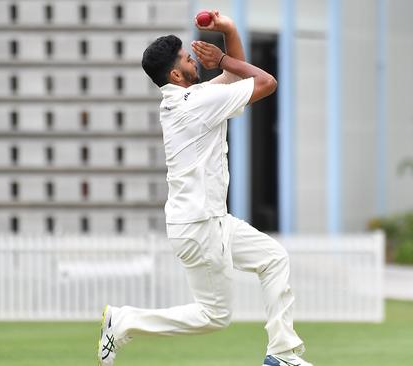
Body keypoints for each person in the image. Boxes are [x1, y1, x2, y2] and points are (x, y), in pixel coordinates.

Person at [97, 11, 313, 366]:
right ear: (175, 74)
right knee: (214, 316)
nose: (194, 58)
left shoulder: (189, 98)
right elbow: (266, 82)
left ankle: (282, 354)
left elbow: (232, 77)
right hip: (199, 226)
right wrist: (225, 58)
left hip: (212, 220)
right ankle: (123, 321)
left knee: (274, 258)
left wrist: (228, 30)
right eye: (186, 58)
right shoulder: (195, 104)